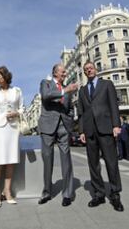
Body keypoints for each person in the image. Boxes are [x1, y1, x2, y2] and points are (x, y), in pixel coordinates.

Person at [77, 61, 124, 212]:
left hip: (106, 128)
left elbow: (113, 105)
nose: (88, 71)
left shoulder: (107, 84)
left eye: (90, 68)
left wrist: (116, 125)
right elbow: (81, 113)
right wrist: (81, 131)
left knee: (111, 162)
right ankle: (98, 194)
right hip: (90, 131)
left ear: (95, 69)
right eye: (86, 70)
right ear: (84, 73)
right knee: (93, 164)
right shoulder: (82, 90)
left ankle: (115, 194)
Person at [37, 63, 78, 207]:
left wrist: (70, 120)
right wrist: (65, 90)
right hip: (48, 126)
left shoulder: (68, 88)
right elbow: (46, 97)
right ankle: (47, 192)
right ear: (55, 73)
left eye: (65, 72)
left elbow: (70, 107)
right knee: (47, 159)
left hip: (63, 127)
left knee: (66, 159)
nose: (65, 74)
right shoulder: (46, 83)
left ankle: (67, 194)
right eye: (63, 72)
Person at [0, 66, 23, 207]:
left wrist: (16, 113)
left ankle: (7, 191)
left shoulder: (17, 91)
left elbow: (21, 108)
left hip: (13, 128)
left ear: (5, 76)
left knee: (11, 160)